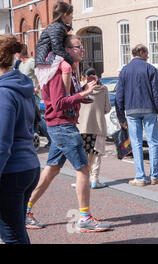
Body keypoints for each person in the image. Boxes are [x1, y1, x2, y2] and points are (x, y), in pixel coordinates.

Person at [26, 35, 111, 233]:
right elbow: (58, 103)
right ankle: (85, 218)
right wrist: (82, 94)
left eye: (82, 46)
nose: (82, 50)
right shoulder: (58, 70)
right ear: (66, 49)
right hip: (62, 126)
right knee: (83, 169)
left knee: (51, 170)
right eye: (78, 47)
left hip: (61, 125)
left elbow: (67, 98)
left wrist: (84, 89)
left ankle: (25, 210)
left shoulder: (69, 70)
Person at [0, 35, 41, 244]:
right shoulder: (20, 85)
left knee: (12, 235)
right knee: (16, 230)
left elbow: (2, 144)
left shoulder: (4, 93)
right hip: (27, 166)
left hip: (11, 171)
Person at [115, 44, 158, 186]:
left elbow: (119, 96)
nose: (148, 56)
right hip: (149, 109)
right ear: (141, 52)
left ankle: (140, 177)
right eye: (146, 53)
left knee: (136, 143)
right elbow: (157, 94)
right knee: (153, 142)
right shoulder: (150, 68)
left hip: (131, 111)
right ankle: (154, 175)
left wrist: (121, 117)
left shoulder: (125, 70)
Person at [77, 68, 111, 189]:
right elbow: (107, 109)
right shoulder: (103, 89)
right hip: (98, 126)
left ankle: (82, 180)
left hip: (81, 126)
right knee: (96, 154)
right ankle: (94, 180)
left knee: (83, 154)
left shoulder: (80, 88)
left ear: (83, 76)